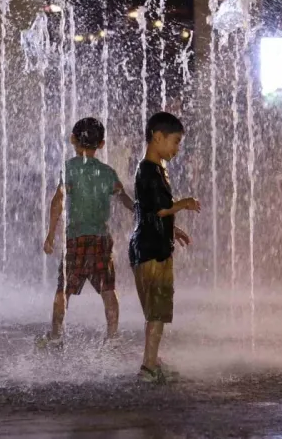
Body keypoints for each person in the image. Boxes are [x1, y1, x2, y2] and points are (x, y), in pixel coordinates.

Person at [38, 118, 135, 349]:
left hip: (76, 238)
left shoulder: (70, 168)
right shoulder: (107, 173)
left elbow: (57, 201)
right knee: (108, 290)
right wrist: (141, 212)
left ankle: (55, 335)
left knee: (63, 289)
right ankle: (112, 337)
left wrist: (51, 234)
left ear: (73, 139)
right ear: (101, 144)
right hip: (101, 239)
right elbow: (124, 199)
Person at [130, 112, 200, 384]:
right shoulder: (150, 170)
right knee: (157, 313)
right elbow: (160, 209)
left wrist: (173, 229)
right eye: (176, 141)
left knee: (154, 313)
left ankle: (153, 360)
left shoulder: (150, 169)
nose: (177, 148)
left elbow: (148, 211)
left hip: (146, 247)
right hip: (153, 252)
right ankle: (148, 367)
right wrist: (184, 203)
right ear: (158, 137)